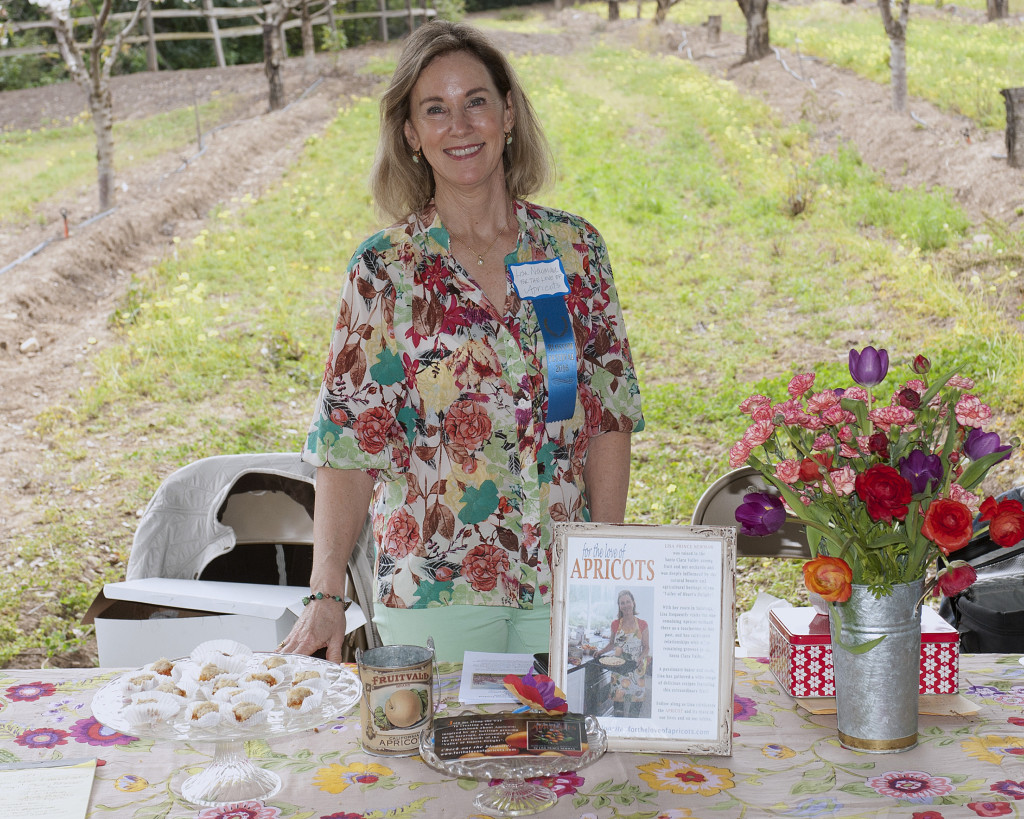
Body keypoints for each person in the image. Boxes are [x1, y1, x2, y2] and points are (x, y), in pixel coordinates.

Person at [279, 20, 644, 664]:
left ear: (507, 113)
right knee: (444, 758)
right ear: (412, 137)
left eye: (476, 101)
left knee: (573, 756)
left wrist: (603, 556)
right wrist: (325, 592)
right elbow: (348, 439)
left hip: (561, 579)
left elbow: (608, 411)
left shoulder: (574, 250)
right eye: (435, 110)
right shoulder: (383, 270)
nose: (460, 125)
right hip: (436, 591)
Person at [595, 590, 650, 718]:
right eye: (622, 603)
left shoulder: (642, 624)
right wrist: (601, 652)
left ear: (633, 603)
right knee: (618, 709)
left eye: (628, 602)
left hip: (636, 670)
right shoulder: (615, 624)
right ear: (619, 606)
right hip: (619, 671)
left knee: (634, 710)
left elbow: (646, 647)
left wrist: (641, 657)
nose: (625, 605)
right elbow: (612, 644)